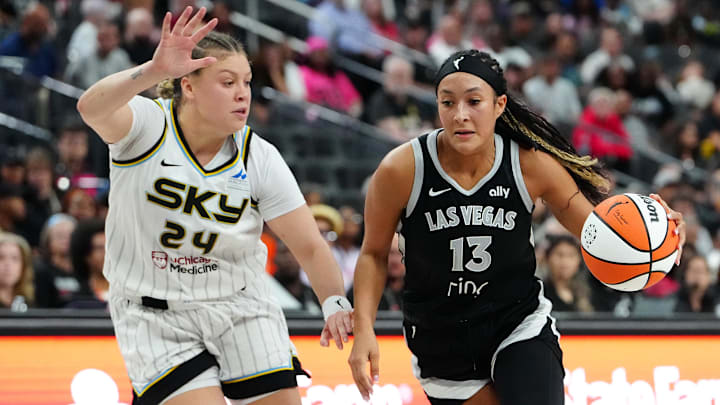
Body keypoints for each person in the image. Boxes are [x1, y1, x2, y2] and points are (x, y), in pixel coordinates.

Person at [348, 49, 686, 405]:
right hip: (441, 336)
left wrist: (653, 225)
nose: (460, 115)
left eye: (474, 101)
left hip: (516, 322)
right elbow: (372, 253)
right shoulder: (401, 170)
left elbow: (597, 228)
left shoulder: (529, 164)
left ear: (499, 104)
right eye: (447, 103)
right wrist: (364, 328)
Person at [76, 7, 352, 405]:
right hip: (155, 314)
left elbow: (309, 245)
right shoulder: (148, 126)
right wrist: (154, 70)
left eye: (247, 82)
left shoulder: (259, 155)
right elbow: (91, 108)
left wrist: (335, 302)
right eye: (227, 82)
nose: (243, 93)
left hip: (240, 304)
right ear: (188, 86)